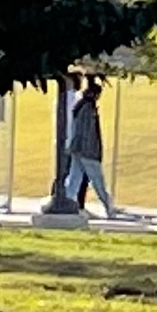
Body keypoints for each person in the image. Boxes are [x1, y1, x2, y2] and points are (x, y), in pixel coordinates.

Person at [41, 77, 106, 220]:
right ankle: (107, 207)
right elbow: (86, 131)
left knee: (74, 178)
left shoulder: (79, 104)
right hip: (85, 150)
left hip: (75, 147)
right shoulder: (85, 107)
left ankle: (71, 201)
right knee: (95, 180)